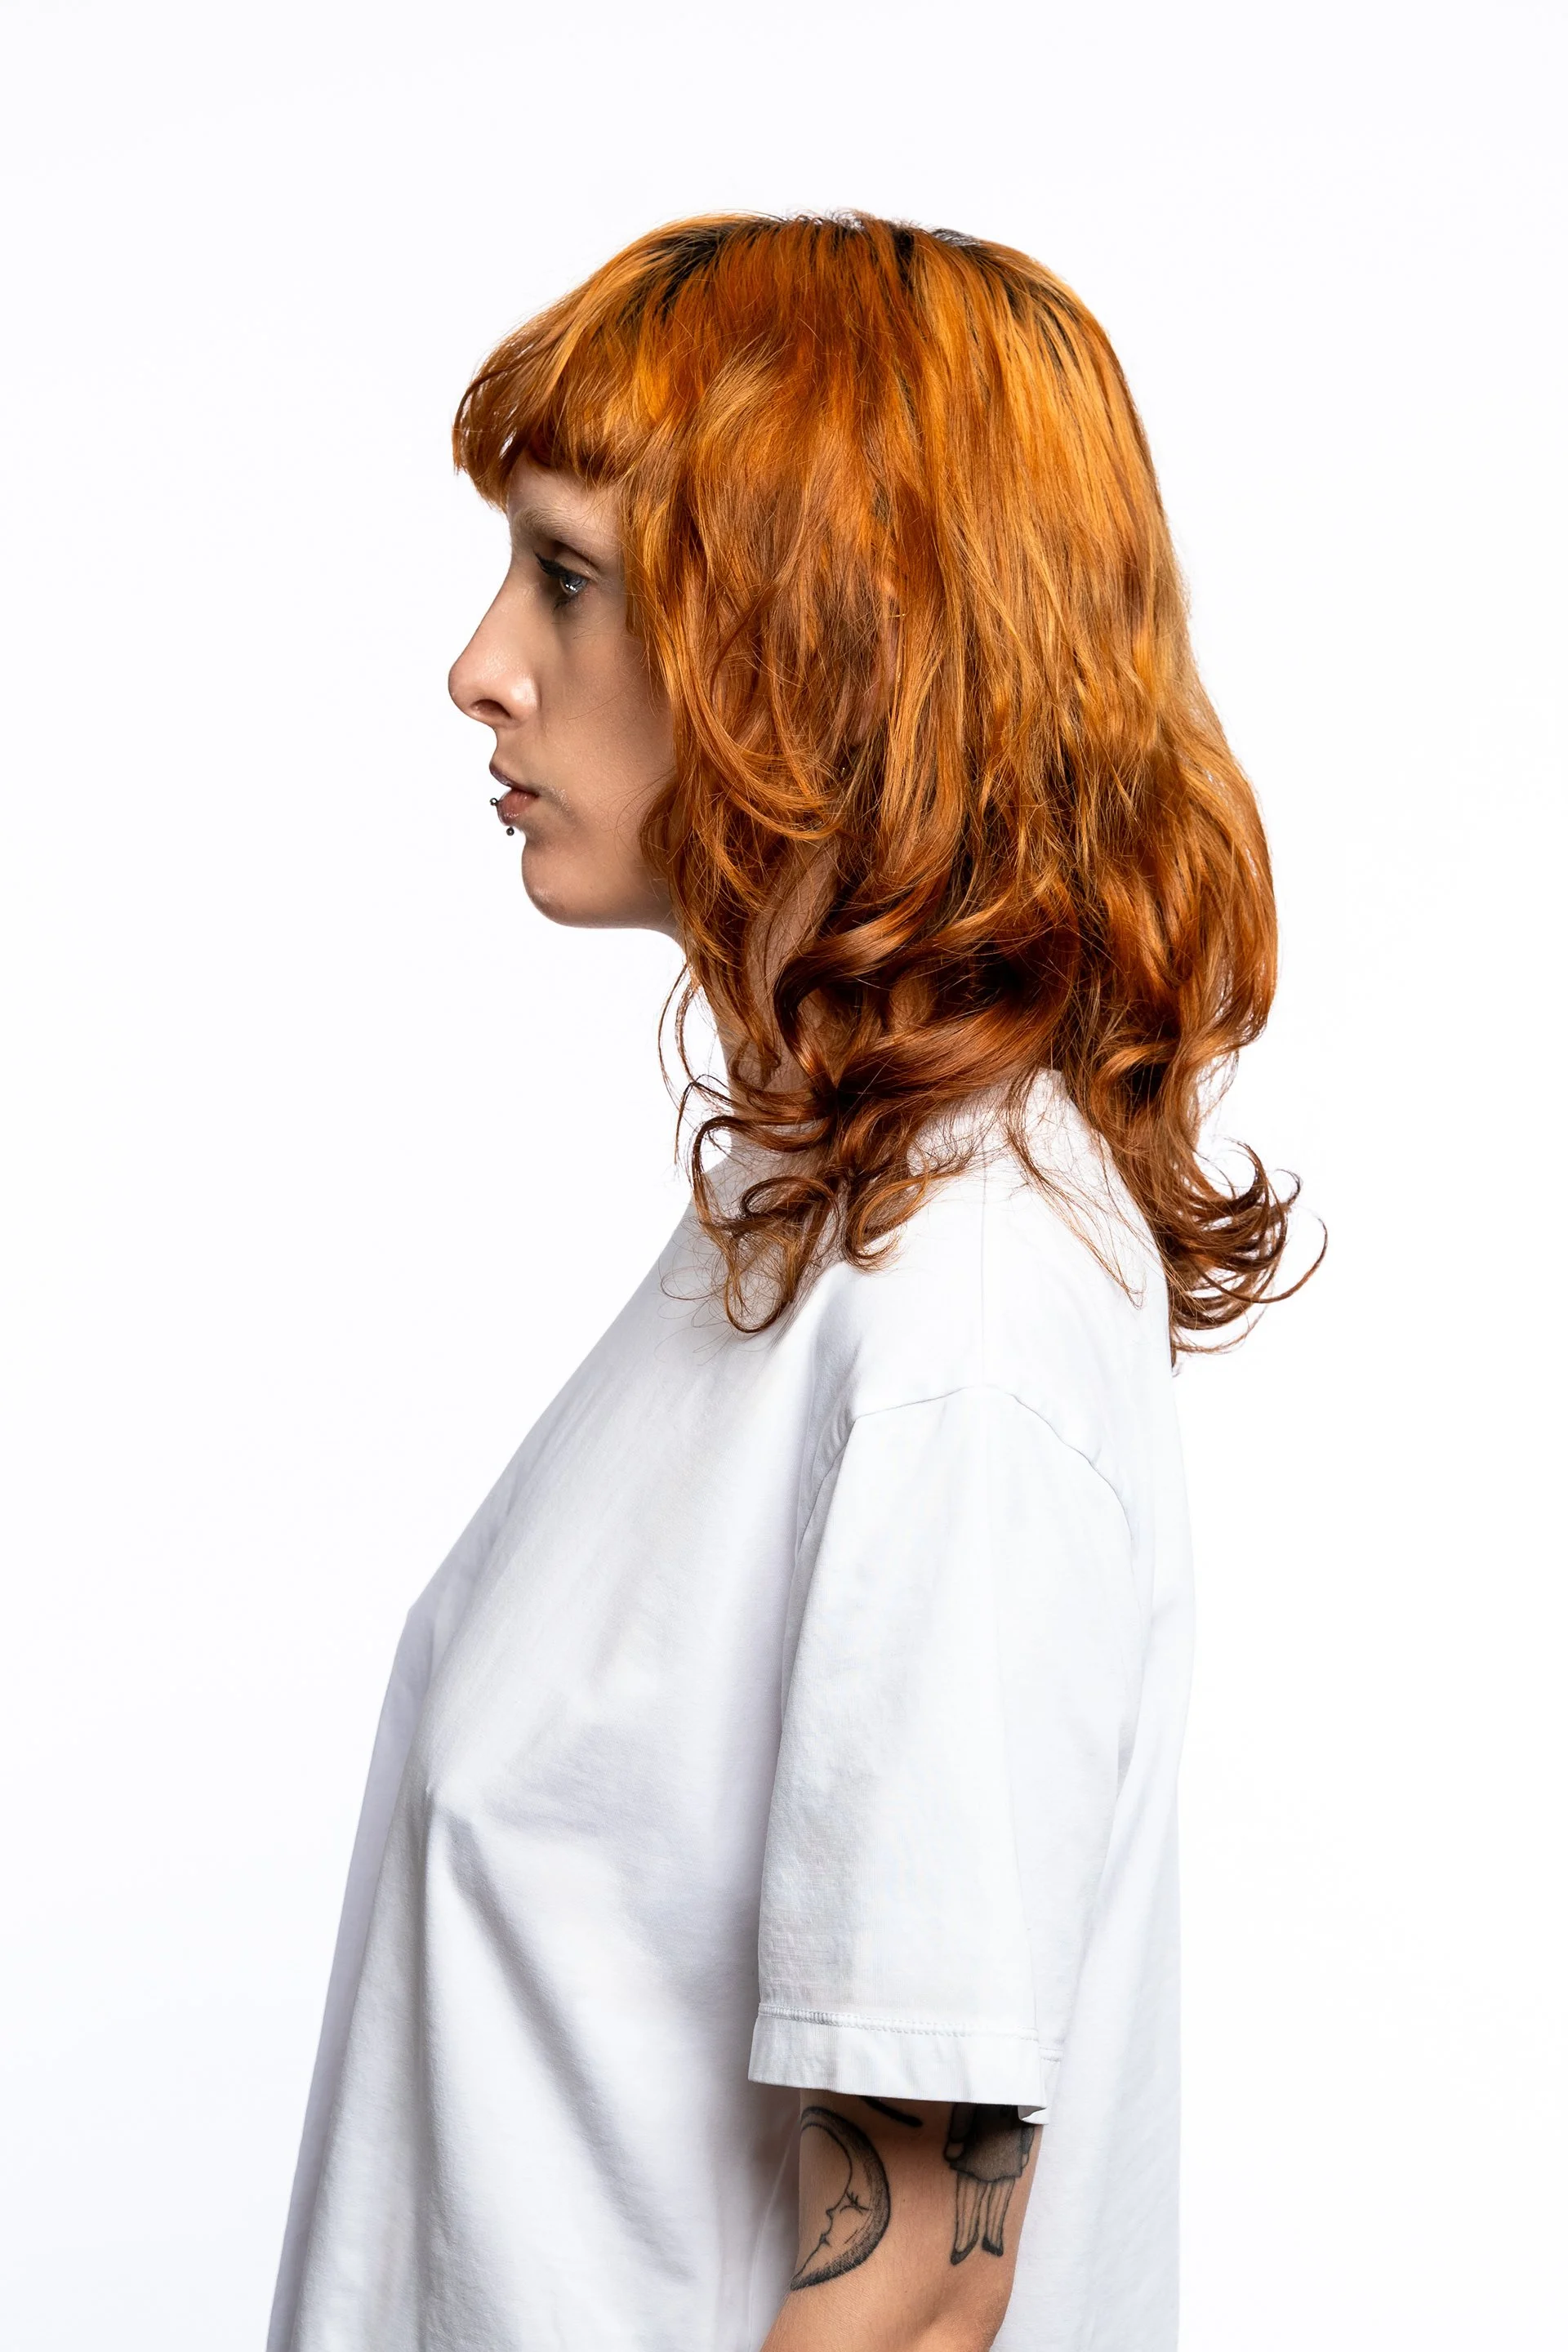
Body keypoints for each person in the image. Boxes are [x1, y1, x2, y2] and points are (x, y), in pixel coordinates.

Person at [267, 212, 1307, 2352]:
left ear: (811, 641)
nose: (481, 660)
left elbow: (919, 2284)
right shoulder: (823, 1232)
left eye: (564, 574)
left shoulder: (961, 1315)